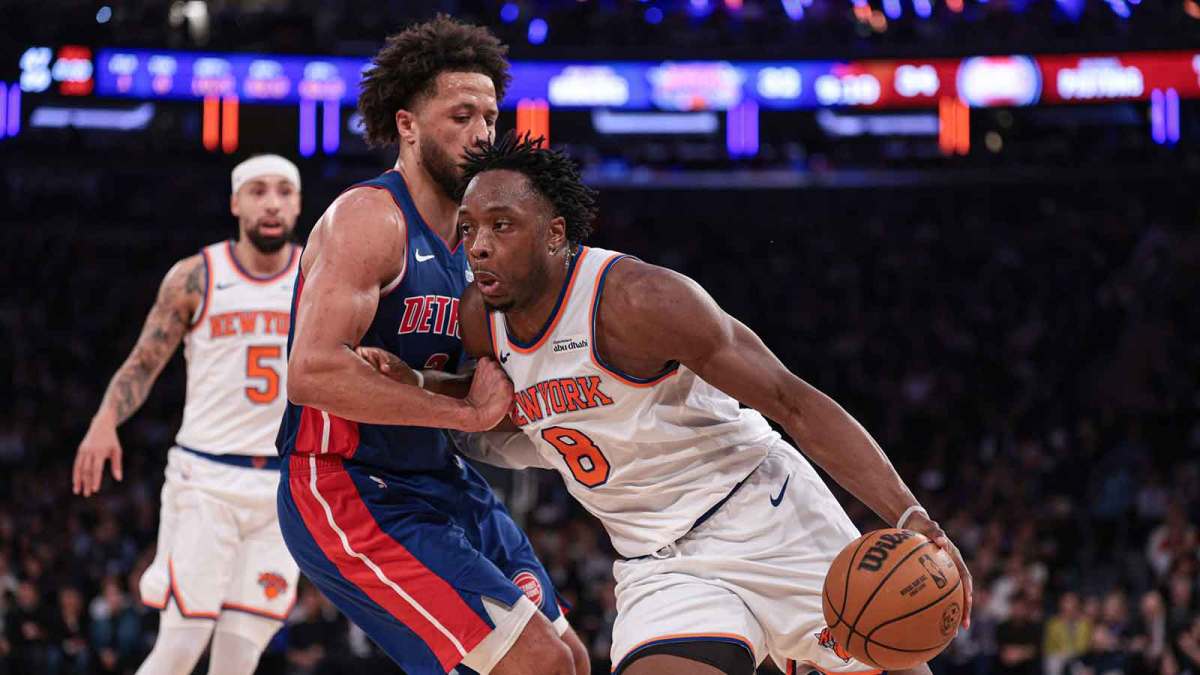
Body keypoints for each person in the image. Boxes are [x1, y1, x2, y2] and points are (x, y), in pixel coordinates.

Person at [365, 132, 974, 675]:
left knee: (891, 649)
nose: (477, 246)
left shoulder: (639, 301)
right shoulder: (481, 320)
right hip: (659, 561)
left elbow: (794, 402)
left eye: (502, 225)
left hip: (764, 516)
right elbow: (490, 406)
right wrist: (416, 383)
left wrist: (906, 513)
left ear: (555, 234)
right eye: (468, 229)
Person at [275, 16, 588, 675]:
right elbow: (309, 372)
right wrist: (462, 413)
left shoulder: (482, 245)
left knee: (572, 656)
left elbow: (489, 385)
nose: (481, 133)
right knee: (536, 664)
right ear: (408, 125)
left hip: (438, 478)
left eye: (491, 116)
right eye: (461, 115)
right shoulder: (370, 218)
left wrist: (428, 387)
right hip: (347, 485)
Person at [71, 153, 304, 674]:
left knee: (240, 657)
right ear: (235, 202)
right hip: (207, 480)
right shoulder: (196, 276)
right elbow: (144, 360)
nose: (271, 203)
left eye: (284, 192)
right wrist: (105, 419)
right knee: (180, 647)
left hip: (285, 489)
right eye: (258, 190)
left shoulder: (318, 277)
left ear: (298, 204)